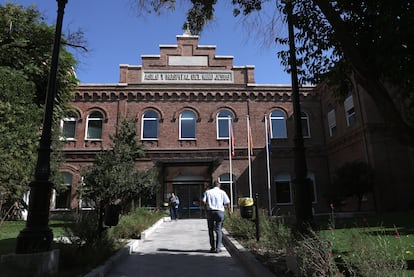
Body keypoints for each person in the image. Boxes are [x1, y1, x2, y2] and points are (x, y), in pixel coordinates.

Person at [202, 181, 231, 253]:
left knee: (211, 230)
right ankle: (218, 248)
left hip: (210, 211)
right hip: (219, 212)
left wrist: (205, 209)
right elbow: (227, 202)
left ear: (213, 185)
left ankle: (212, 247)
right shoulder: (222, 192)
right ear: (219, 185)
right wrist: (229, 211)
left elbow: (204, 201)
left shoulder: (208, 192)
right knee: (218, 230)